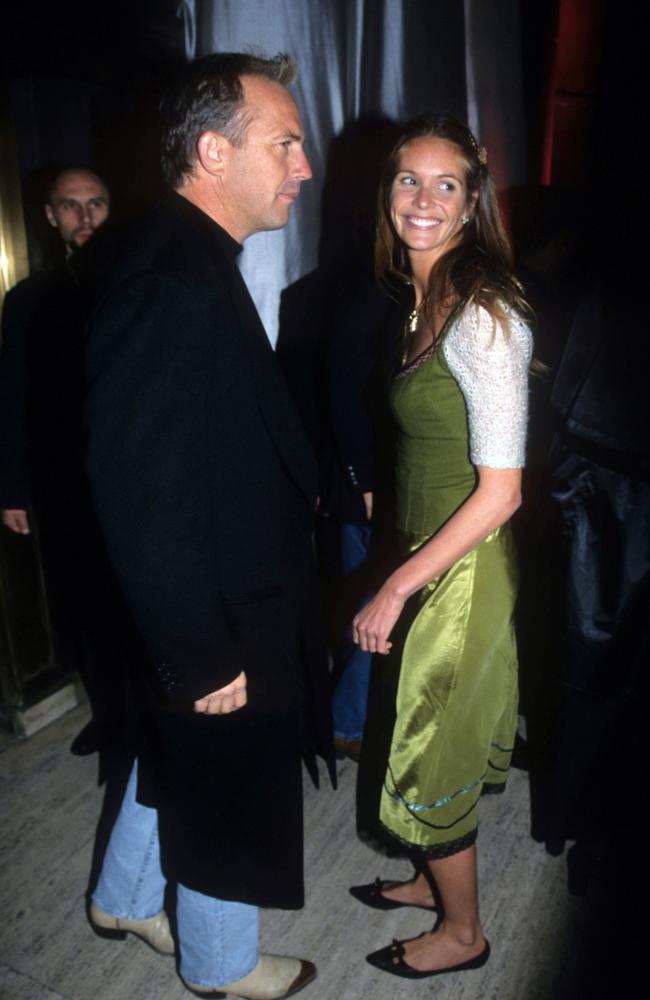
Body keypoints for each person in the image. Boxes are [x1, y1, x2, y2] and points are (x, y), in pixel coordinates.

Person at [83, 53, 334, 999]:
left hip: (227, 582)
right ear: (213, 151)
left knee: (175, 752)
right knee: (224, 773)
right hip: (213, 607)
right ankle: (222, 968)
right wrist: (198, 654)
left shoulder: (192, 255)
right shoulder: (167, 281)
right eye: (286, 143)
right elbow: (139, 493)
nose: (303, 166)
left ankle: (121, 895)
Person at [349, 113, 532, 979]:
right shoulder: (424, 298)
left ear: (471, 203)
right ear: (387, 194)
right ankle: (432, 882)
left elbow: (502, 491)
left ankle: (465, 934)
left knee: (430, 751)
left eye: (445, 184)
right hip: (424, 554)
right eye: (407, 181)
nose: (422, 199)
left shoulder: (485, 315)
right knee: (413, 730)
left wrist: (393, 587)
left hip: (460, 572)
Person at [0, 165, 117, 756]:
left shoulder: (132, 283)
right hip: (62, 482)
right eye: (71, 206)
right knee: (83, 603)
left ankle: (144, 716)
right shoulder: (26, 302)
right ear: (50, 217)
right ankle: (108, 713)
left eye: (96, 203)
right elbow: (14, 395)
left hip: (126, 474)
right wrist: (12, 487)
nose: (86, 217)